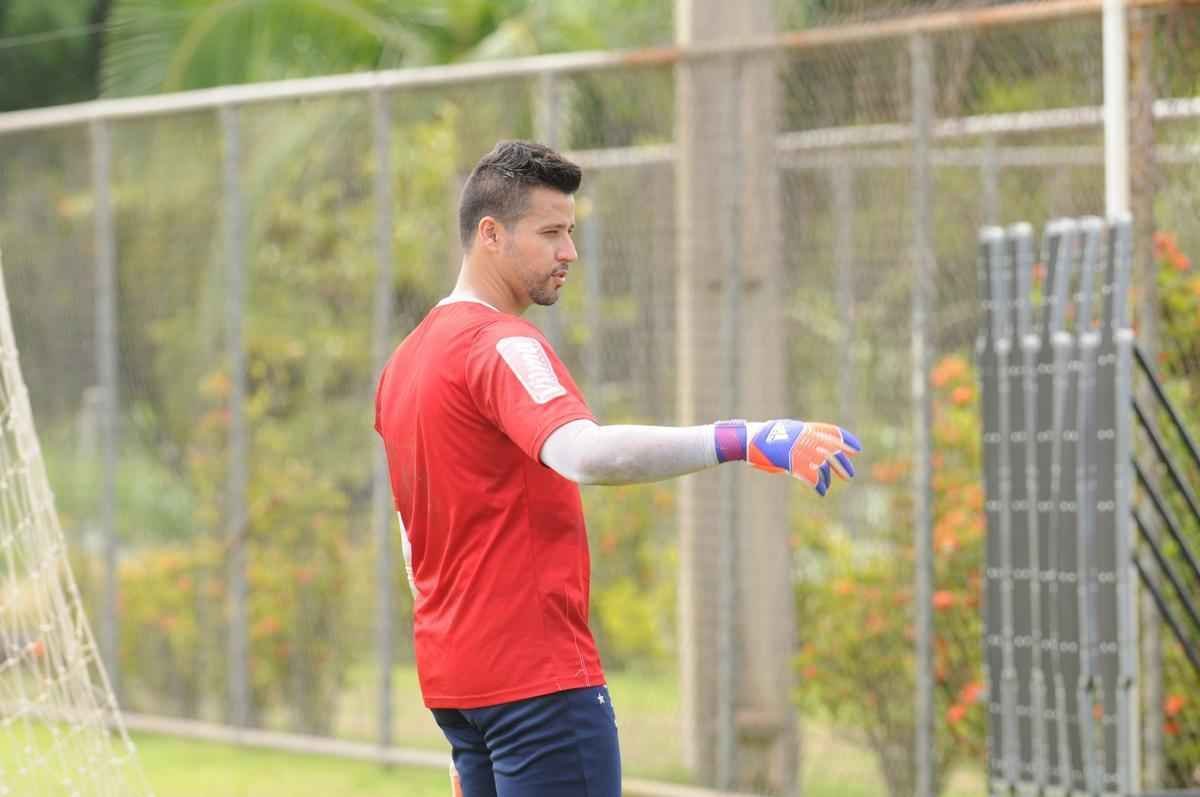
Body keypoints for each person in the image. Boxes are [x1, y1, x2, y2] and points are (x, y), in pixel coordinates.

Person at [373, 140, 861, 797]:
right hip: (539, 691)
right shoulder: (501, 344)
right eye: (550, 232)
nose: (569, 251)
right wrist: (744, 437)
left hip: (459, 692)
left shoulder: (404, 362)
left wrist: (466, 734)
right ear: (490, 234)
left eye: (570, 231)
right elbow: (588, 454)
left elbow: (413, 540)